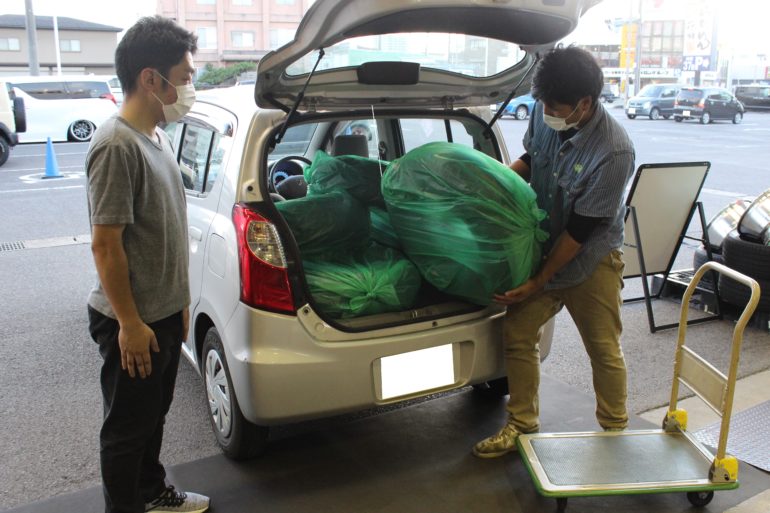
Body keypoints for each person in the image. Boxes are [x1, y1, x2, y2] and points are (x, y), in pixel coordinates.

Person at [473, 46, 636, 458]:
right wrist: (497, 185)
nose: (546, 112)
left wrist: (537, 281)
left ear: (585, 104)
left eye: (555, 106)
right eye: (542, 103)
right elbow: (532, 159)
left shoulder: (614, 151)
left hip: (591, 258)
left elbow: (580, 231)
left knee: (603, 349)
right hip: (546, 242)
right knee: (518, 334)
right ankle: (521, 425)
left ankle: (614, 431)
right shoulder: (543, 112)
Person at [85, 16, 209, 513]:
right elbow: (105, 245)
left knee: (153, 416)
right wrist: (131, 324)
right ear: (150, 79)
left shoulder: (156, 136)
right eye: (185, 76)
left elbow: (162, 230)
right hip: (132, 320)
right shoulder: (116, 145)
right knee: (127, 430)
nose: (189, 87)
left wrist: (178, 304)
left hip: (162, 313)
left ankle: (153, 493)